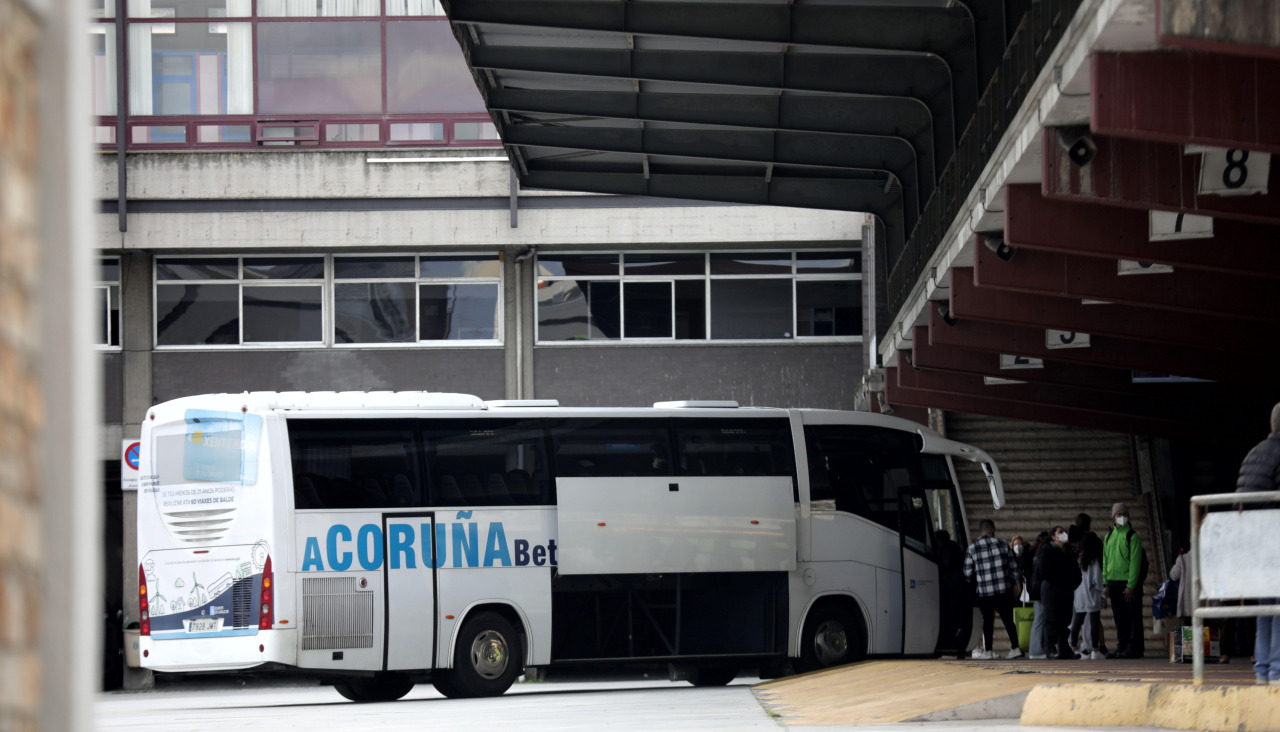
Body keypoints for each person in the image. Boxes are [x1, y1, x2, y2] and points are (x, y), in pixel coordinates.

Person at [1237, 401, 1280, 685]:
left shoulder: (1254, 452)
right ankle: (1277, 670)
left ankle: (1263, 670)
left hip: (1253, 543)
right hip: (1274, 538)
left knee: (1266, 607)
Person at [963, 519, 1023, 659]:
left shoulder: (972, 548)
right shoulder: (1003, 544)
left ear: (981, 530)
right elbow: (1014, 567)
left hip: (985, 592)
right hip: (1004, 590)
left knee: (988, 621)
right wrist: (1017, 584)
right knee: (1008, 620)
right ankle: (1015, 648)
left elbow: (967, 572)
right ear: (991, 529)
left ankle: (988, 651)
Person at [1103, 502, 1145, 658]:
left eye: (1125, 514)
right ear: (1113, 517)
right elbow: (1105, 561)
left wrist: (1131, 585)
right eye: (1119, 514)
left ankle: (1134, 648)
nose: (1122, 517)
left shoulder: (1132, 536)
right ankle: (1122, 646)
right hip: (1113, 583)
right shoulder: (1108, 537)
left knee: (1133, 617)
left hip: (1128, 584)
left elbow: (1135, 563)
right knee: (1119, 618)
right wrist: (1105, 583)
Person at [1038, 525, 1082, 659]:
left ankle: (1064, 648)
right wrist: (1058, 581)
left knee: (1065, 620)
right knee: (1051, 619)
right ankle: (1050, 648)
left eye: (1065, 531)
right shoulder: (1047, 550)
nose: (1064, 534)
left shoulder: (1069, 551)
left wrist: (1073, 583)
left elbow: (1076, 571)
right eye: (1060, 532)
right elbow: (1044, 571)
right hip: (1052, 590)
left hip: (1066, 590)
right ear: (1053, 536)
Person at [934, 529, 972, 659]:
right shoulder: (956, 547)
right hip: (959, 588)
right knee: (960, 621)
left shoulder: (945, 550)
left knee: (951, 619)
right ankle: (960, 649)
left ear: (939, 540)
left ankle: (955, 647)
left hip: (951, 588)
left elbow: (944, 565)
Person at [1070, 532, 1106, 659]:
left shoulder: (1078, 559)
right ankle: (1095, 650)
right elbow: (1097, 580)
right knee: (1094, 622)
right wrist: (1102, 594)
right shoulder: (1094, 561)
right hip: (1092, 596)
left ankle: (1074, 649)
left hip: (1079, 596)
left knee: (1077, 622)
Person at [1027, 531, 1051, 659]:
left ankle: (1036, 649)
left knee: (1039, 619)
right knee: (1041, 619)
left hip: (1035, 591)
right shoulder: (1044, 553)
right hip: (1043, 591)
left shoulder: (1032, 552)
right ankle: (1037, 650)